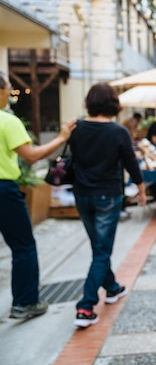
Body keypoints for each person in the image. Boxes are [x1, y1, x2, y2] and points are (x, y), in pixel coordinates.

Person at [68, 82, 147, 328]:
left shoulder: (76, 128)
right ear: (113, 103)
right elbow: (131, 165)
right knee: (102, 251)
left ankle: (111, 287)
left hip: (82, 196)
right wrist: (141, 190)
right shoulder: (118, 131)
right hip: (107, 196)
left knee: (98, 247)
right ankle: (85, 305)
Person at [0, 71, 76, 320]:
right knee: (24, 246)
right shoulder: (7, 121)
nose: (11, 94)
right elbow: (31, 156)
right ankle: (25, 302)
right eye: (9, 88)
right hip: (4, 189)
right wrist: (62, 138)